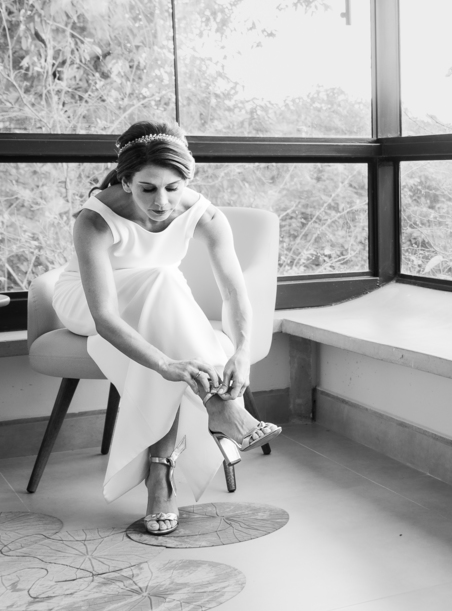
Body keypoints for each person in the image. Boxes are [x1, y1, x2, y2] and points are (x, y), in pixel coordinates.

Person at [52, 120, 281, 535]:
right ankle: (220, 408)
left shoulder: (204, 215)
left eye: (173, 188)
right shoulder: (95, 220)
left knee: (164, 287)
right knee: (164, 283)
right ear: (126, 182)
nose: (161, 202)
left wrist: (242, 352)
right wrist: (165, 365)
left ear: (186, 181)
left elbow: (234, 293)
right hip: (88, 302)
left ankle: (161, 478)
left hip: (159, 300)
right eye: (148, 189)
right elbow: (105, 317)